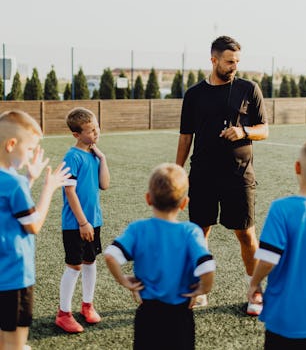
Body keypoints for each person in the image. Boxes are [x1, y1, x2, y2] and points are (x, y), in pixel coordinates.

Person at [176, 35, 269, 314]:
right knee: (200, 232)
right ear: (213, 59)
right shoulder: (194, 94)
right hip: (202, 174)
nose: (234, 66)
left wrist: (243, 131)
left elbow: (264, 129)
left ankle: (254, 291)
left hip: (239, 175)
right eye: (229, 61)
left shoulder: (249, 89)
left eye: (238, 61)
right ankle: (201, 289)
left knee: (246, 234)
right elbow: (185, 137)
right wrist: (177, 172)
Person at [104, 163, 215, 350]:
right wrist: (203, 288)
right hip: (180, 316)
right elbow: (207, 266)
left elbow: (110, 256)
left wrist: (124, 281)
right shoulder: (191, 232)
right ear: (184, 203)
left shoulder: (138, 229)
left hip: (148, 314)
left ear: (148, 199)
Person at [0, 110, 70, 350]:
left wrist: (30, 179)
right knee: (15, 341)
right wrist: (48, 188)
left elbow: (12, 210)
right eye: (30, 149)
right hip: (14, 276)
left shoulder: (11, 181)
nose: (32, 155)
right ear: (11, 145)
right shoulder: (15, 183)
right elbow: (33, 225)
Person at [248, 134, 306, 349]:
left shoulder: (282, 209)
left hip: (284, 321)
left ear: (297, 168)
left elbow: (269, 259)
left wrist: (254, 282)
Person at [55, 107, 110, 333]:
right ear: (76, 134)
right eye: (90, 131)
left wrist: (103, 158)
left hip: (94, 221)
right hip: (76, 223)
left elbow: (104, 184)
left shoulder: (94, 155)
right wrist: (82, 222)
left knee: (90, 261)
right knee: (75, 265)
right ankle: (63, 313)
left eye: (96, 128)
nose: (96, 133)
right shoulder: (72, 156)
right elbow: (70, 192)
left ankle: (88, 305)